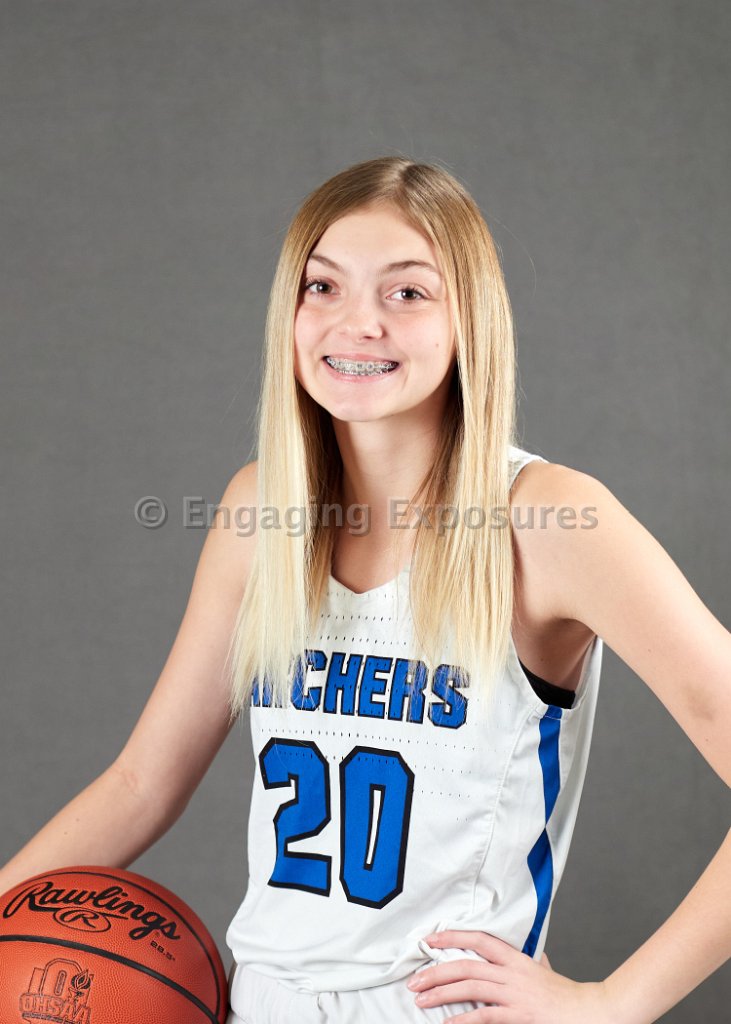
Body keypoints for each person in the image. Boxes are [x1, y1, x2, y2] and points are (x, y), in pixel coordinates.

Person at [1, 156, 729, 1024]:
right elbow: (141, 785)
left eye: (406, 292)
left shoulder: (546, 519)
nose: (358, 323)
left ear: (469, 319)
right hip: (259, 1004)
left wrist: (614, 1004)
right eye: (323, 286)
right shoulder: (261, 511)